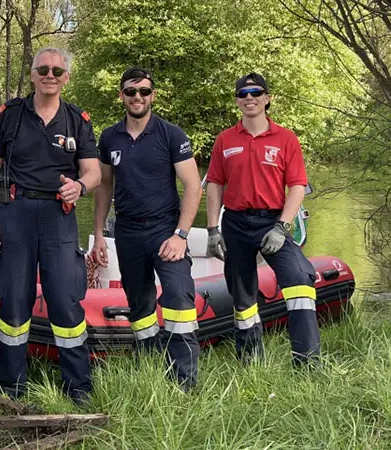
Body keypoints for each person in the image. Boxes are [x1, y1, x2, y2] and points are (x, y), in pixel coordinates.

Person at [0, 47, 101, 405]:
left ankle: (78, 387)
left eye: (57, 71)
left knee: (65, 300)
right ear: (33, 74)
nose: (50, 75)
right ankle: (10, 387)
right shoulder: (11, 115)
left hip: (58, 216)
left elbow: (94, 172)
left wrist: (80, 186)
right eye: (43, 69)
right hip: (15, 212)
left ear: (66, 78)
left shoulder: (77, 120)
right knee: (14, 302)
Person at [91, 67, 202, 389]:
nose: (137, 97)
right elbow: (104, 188)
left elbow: (193, 186)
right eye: (130, 91)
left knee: (180, 297)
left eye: (143, 91)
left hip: (165, 229)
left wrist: (180, 236)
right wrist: (99, 234)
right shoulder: (110, 137)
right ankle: (149, 367)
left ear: (152, 95)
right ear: (121, 96)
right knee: (139, 304)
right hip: (127, 230)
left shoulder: (171, 135)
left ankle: (184, 383)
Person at [205, 72, 320, 365]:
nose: (249, 98)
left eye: (255, 93)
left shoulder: (286, 138)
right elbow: (215, 185)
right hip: (235, 223)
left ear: (267, 99)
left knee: (299, 280)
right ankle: (251, 362)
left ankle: (307, 361)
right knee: (242, 298)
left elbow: (296, 187)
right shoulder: (225, 140)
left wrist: (282, 226)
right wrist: (212, 230)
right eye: (243, 94)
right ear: (237, 101)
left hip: (273, 222)